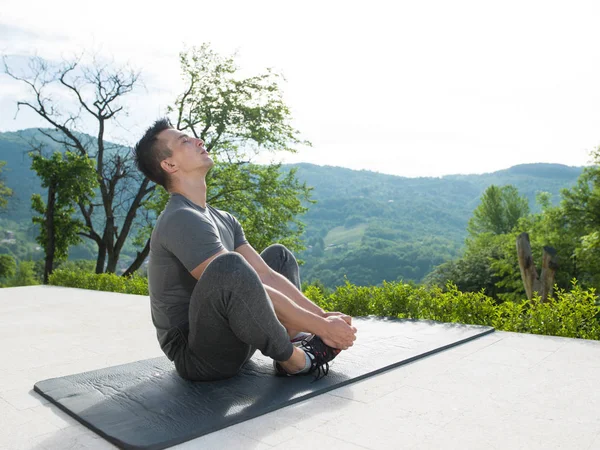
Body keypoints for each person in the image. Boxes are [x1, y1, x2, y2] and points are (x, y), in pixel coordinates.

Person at [133, 119, 357, 382]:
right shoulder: (180, 217)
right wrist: (322, 328)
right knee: (229, 265)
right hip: (200, 356)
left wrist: (323, 316)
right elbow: (234, 278)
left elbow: (266, 276)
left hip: (236, 335)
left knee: (278, 256)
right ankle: (296, 360)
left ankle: (295, 336)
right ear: (170, 165)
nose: (199, 141)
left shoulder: (223, 218)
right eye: (185, 141)